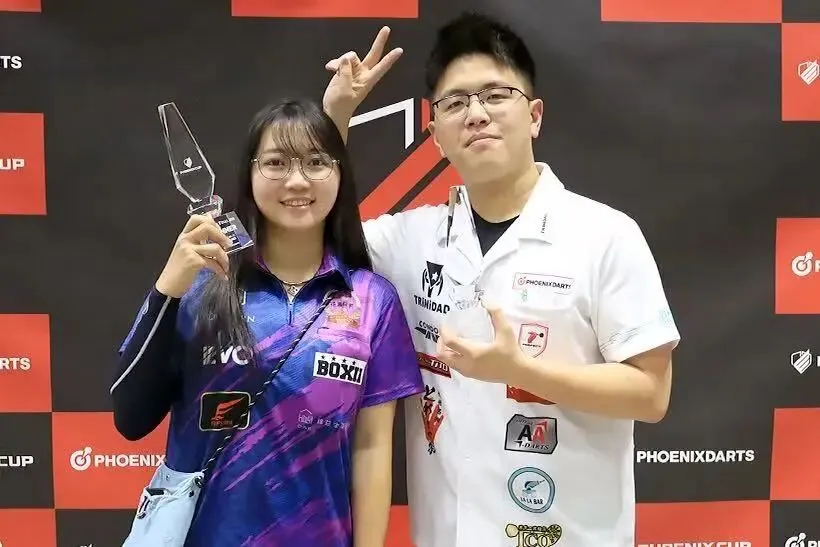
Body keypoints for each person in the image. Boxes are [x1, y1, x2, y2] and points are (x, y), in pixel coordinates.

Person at [322, 12, 681, 547]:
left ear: (534, 116)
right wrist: (335, 117)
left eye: (495, 95)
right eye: (455, 103)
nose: (476, 114)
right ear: (435, 135)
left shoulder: (605, 234)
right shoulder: (411, 240)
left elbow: (650, 394)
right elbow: (314, 235)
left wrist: (520, 371)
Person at [110, 96, 424, 547]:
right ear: (250, 174)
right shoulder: (202, 286)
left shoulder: (372, 300)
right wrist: (168, 288)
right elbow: (130, 418)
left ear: (340, 174)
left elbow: (372, 447)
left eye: (316, 162)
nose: (297, 180)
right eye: (276, 163)